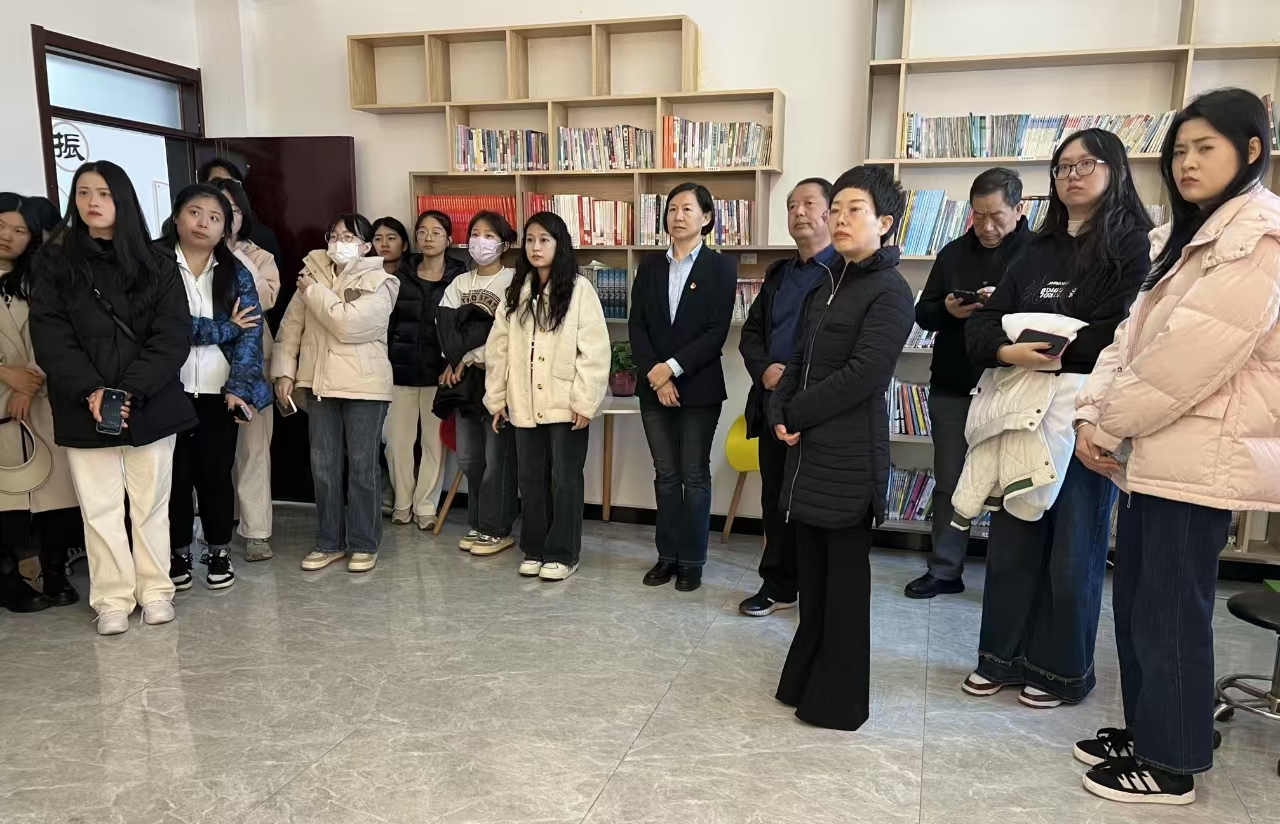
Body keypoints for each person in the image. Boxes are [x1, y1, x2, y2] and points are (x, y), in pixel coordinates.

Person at [1073, 88, 1280, 806]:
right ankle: (1153, 730)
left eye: (1206, 148)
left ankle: (1172, 764)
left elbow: (1185, 362)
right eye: (1180, 150)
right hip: (1158, 452)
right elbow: (1127, 341)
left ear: (1251, 151)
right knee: (1139, 603)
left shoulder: (1257, 236)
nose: (1187, 163)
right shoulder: (1185, 236)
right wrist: (1090, 414)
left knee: (1169, 610)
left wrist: (1106, 425)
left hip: (1200, 456)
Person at [962, 128, 1153, 709]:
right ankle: (1000, 658)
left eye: (1085, 164)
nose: (1071, 175)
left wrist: (1044, 344)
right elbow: (981, 326)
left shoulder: (1136, 246)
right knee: (1014, 538)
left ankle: (1060, 670)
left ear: (1115, 170)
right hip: (1019, 409)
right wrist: (1009, 348)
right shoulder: (1033, 248)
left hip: (1085, 416)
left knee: (1074, 547)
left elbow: (1123, 335)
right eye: (1063, 166)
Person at [768, 165, 914, 730]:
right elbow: (799, 359)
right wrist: (779, 410)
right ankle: (805, 681)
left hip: (850, 460)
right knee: (815, 584)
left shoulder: (891, 291)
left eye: (855, 210)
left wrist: (796, 413)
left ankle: (840, 703)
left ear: (885, 222)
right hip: (808, 458)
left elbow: (864, 375)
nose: (840, 219)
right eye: (837, 210)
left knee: (845, 591)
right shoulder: (829, 283)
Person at [29, 161, 196, 636]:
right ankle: (112, 599)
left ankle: (156, 591)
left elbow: (172, 336)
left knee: (151, 504)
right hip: (83, 403)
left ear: (122, 199)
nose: (92, 202)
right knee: (99, 508)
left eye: (103, 193)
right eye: (83, 193)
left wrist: (129, 390)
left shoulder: (157, 262)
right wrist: (93, 390)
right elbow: (51, 338)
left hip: (149, 400)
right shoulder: (55, 264)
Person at [904, 168, 1033, 599]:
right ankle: (945, 569)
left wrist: (1006, 306)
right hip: (954, 383)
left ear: (1019, 208)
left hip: (1015, 388)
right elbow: (923, 313)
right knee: (950, 480)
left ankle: (1009, 578)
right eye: (978, 216)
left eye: (996, 216)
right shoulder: (954, 252)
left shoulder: (1041, 252)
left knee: (1013, 484)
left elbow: (1052, 318)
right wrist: (947, 309)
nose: (986, 226)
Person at [484, 211, 610, 581]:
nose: (536, 247)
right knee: (530, 479)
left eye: (544, 240)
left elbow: (595, 351)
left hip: (565, 403)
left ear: (559, 244)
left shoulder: (579, 290)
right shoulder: (517, 292)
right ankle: (535, 549)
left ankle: (563, 553)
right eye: (530, 240)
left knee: (565, 479)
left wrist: (585, 401)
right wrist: (497, 398)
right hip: (523, 403)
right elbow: (498, 350)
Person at [272, 213, 399, 572]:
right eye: (335, 235)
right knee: (324, 467)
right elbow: (291, 328)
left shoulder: (382, 281)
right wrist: (284, 372)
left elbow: (350, 325)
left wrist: (312, 291)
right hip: (318, 383)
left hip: (365, 386)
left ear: (366, 246)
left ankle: (364, 543)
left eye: (349, 237)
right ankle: (329, 542)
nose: (339, 242)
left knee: (362, 468)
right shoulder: (311, 273)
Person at [159, 185, 270, 592]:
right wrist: (223, 328)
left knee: (215, 477)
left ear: (225, 227)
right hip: (166, 390)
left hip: (218, 391)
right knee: (174, 479)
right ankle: (178, 552)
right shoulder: (154, 264)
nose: (203, 222)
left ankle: (219, 551)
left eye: (214, 217)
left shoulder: (235, 271)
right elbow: (164, 326)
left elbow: (250, 333)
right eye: (194, 212)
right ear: (177, 216)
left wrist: (239, 387)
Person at [737, 177, 839, 616]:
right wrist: (765, 370)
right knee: (775, 498)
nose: (799, 212)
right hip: (772, 401)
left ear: (831, 212)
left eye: (809, 204)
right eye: (792, 205)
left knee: (815, 502)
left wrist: (797, 377)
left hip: (818, 406)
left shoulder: (846, 273)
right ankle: (778, 585)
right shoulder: (779, 274)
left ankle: (819, 589)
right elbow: (752, 332)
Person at [630, 182, 737, 593]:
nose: (677, 216)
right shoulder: (650, 267)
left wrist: (671, 369)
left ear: (706, 218)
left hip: (699, 386)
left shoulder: (721, 268)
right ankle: (666, 556)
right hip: (654, 387)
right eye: (672, 208)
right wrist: (656, 376)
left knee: (694, 474)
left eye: (687, 209)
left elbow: (715, 331)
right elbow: (638, 326)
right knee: (665, 474)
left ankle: (692, 560)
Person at [0, 193, 81, 612]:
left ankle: (55, 570)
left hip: (43, 394)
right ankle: (7, 576)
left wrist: (28, 382)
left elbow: (59, 334)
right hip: (2, 397)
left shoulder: (42, 279)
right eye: (1, 226)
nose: (7, 236)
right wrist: (6, 375)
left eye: (19, 230)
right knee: (7, 494)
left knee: (55, 491)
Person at [434, 211, 519, 556]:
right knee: (470, 458)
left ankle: (496, 528)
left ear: (504, 244)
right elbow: (445, 327)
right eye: (475, 233)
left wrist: (469, 356)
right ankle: (478, 523)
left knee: (498, 458)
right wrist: (456, 359)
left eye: (489, 235)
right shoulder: (459, 283)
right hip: (464, 383)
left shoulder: (514, 281)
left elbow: (508, 332)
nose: (480, 241)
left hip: (498, 379)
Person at [210, 177, 281, 562]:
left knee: (253, 449)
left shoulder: (260, 256)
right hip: (206, 359)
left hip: (252, 359)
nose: (223, 217)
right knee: (213, 452)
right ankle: (221, 525)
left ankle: (256, 532)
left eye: (231, 210)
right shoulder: (191, 255)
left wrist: (236, 256)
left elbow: (266, 298)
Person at [385, 211, 465, 529]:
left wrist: (453, 362)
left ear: (449, 239)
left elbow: (462, 328)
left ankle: (426, 506)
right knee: (397, 444)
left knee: (434, 444)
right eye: (422, 231)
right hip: (400, 372)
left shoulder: (459, 278)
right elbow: (388, 323)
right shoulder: (400, 275)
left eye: (436, 232)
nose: (428, 237)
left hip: (438, 375)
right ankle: (402, 503)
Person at [199, 158, 284, 272]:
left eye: (232, 184)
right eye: (217, 182)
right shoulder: (193, 238)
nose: (225, 189)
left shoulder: (262, 240)